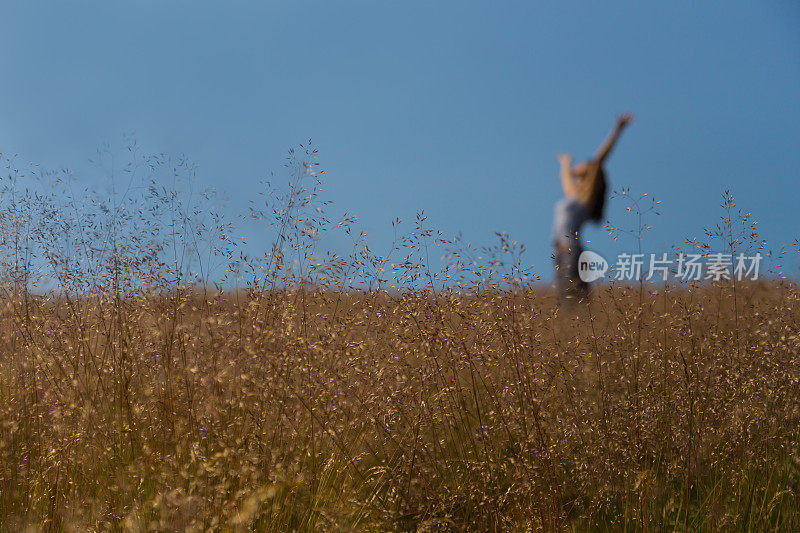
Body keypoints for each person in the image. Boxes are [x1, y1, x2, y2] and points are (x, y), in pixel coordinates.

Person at [552, 113, 634, 302]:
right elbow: (565, 179)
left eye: (585, 163)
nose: (581, 163)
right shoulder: (575, 196)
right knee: (566, 297)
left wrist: (618, 129)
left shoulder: (585, 200)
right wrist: (565, 163)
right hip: (561, 251)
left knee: (571, 297)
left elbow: (600, 157)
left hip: (570, 251)